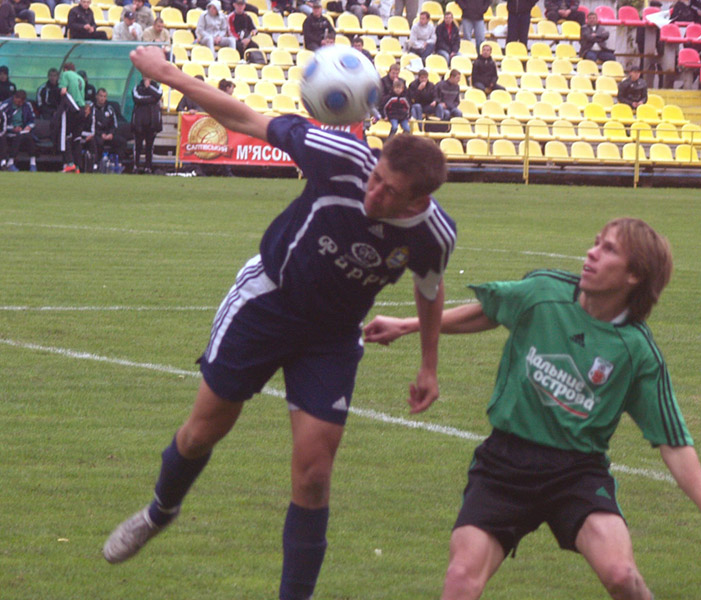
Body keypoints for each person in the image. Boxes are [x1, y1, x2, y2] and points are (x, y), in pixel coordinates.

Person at [104, 43, 456, 600]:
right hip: (266, 303)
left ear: (420, 202)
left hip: (332, 338)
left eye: (390, 192)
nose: (374, 191)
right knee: (202, 433)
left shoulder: (433, 235)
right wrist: (166, 73)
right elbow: (242, 115)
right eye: (376, 178)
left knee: (314, 475)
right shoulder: (338, 155)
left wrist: (429, 366)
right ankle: (159, 510)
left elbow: (429, 291)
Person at [364, 217, 701, 600]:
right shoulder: (544, 291)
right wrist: (407, 324)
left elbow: (673, 441)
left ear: (634, 275)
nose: (590, 253)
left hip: (577, 473)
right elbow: (490, 310)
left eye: (608, 249)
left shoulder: (637, 352)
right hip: (504, 465)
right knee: (461, 580)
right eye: (595, 242)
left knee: (622, 576)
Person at [57, 62, 86, 173]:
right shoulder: (80, 78)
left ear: (65, 69)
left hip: (72, 109)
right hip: (82, 110)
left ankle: (69, 163)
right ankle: (78, 167)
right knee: (77, 139)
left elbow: (63, 91)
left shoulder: (66, 74)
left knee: (65, 136)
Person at [131, 75, 162, 174]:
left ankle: (148, 167)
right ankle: (135, 166)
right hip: (139, 122)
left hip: (152, 122)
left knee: (150, 146)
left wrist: (148, 88)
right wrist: (151, 99)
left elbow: (158, 96)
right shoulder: (137, 87)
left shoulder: (157, 87)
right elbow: (137, 98)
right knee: (138, 145)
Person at [92, 87, 128, 170]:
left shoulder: (110, 108)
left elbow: (114, 124)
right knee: (97, 142)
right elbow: (91, 125)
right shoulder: (92, 108)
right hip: (97, 134)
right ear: (97, 96)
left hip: (108, 134)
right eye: (101, 96)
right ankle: (97, 163)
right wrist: (101, 134)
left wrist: (111, 133)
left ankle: (118, 163)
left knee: (122, 142)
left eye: (104, 96)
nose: (102, 98)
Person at [2, 89, 37, 171]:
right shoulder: (5, 105)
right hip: (9, 132)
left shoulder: (27, 105)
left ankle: (33, 163)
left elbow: (32, 120)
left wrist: (29, 126)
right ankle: (10, 162)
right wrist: (13, 128)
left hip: (24, 131)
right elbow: (2, 124)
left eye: (22, 102)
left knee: (29, 137)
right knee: (19, 136)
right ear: (14, 98)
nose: (20, 104)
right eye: (18, 102)